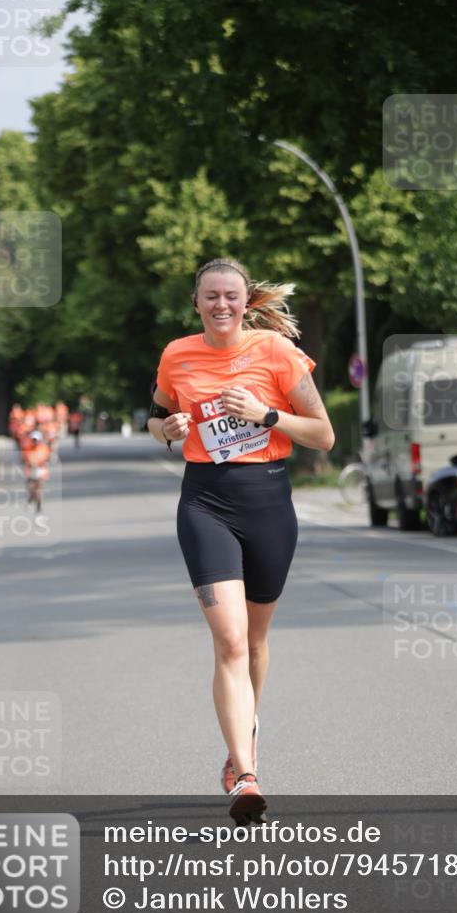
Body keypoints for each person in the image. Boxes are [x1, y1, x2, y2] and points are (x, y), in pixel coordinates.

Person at [148, 257, 335, 825]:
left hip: (270, 502)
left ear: (245, 299)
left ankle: (238, 752)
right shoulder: (177, 355)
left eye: (231, 295)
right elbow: (155, 418)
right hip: (205, 502)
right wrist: (169, 429)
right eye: (211, 296)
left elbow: (324, 436)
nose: (221, 305)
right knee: (229, 641)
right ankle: (248, 775)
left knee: (254, 642)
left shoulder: (277, 354)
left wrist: (267, 413)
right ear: (197, 301)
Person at [21, 430, 51, 513]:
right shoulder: (27, 449)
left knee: (39, 489)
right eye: (33, 440)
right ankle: (30, 501)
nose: (35, 442)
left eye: (36, 440)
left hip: (40, 471)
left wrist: (40, 463)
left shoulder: (44, 449)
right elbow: (24, 459)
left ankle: (39, 505)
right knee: (31, 489)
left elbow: (47, 459)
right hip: (30, 471)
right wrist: (30, 463)